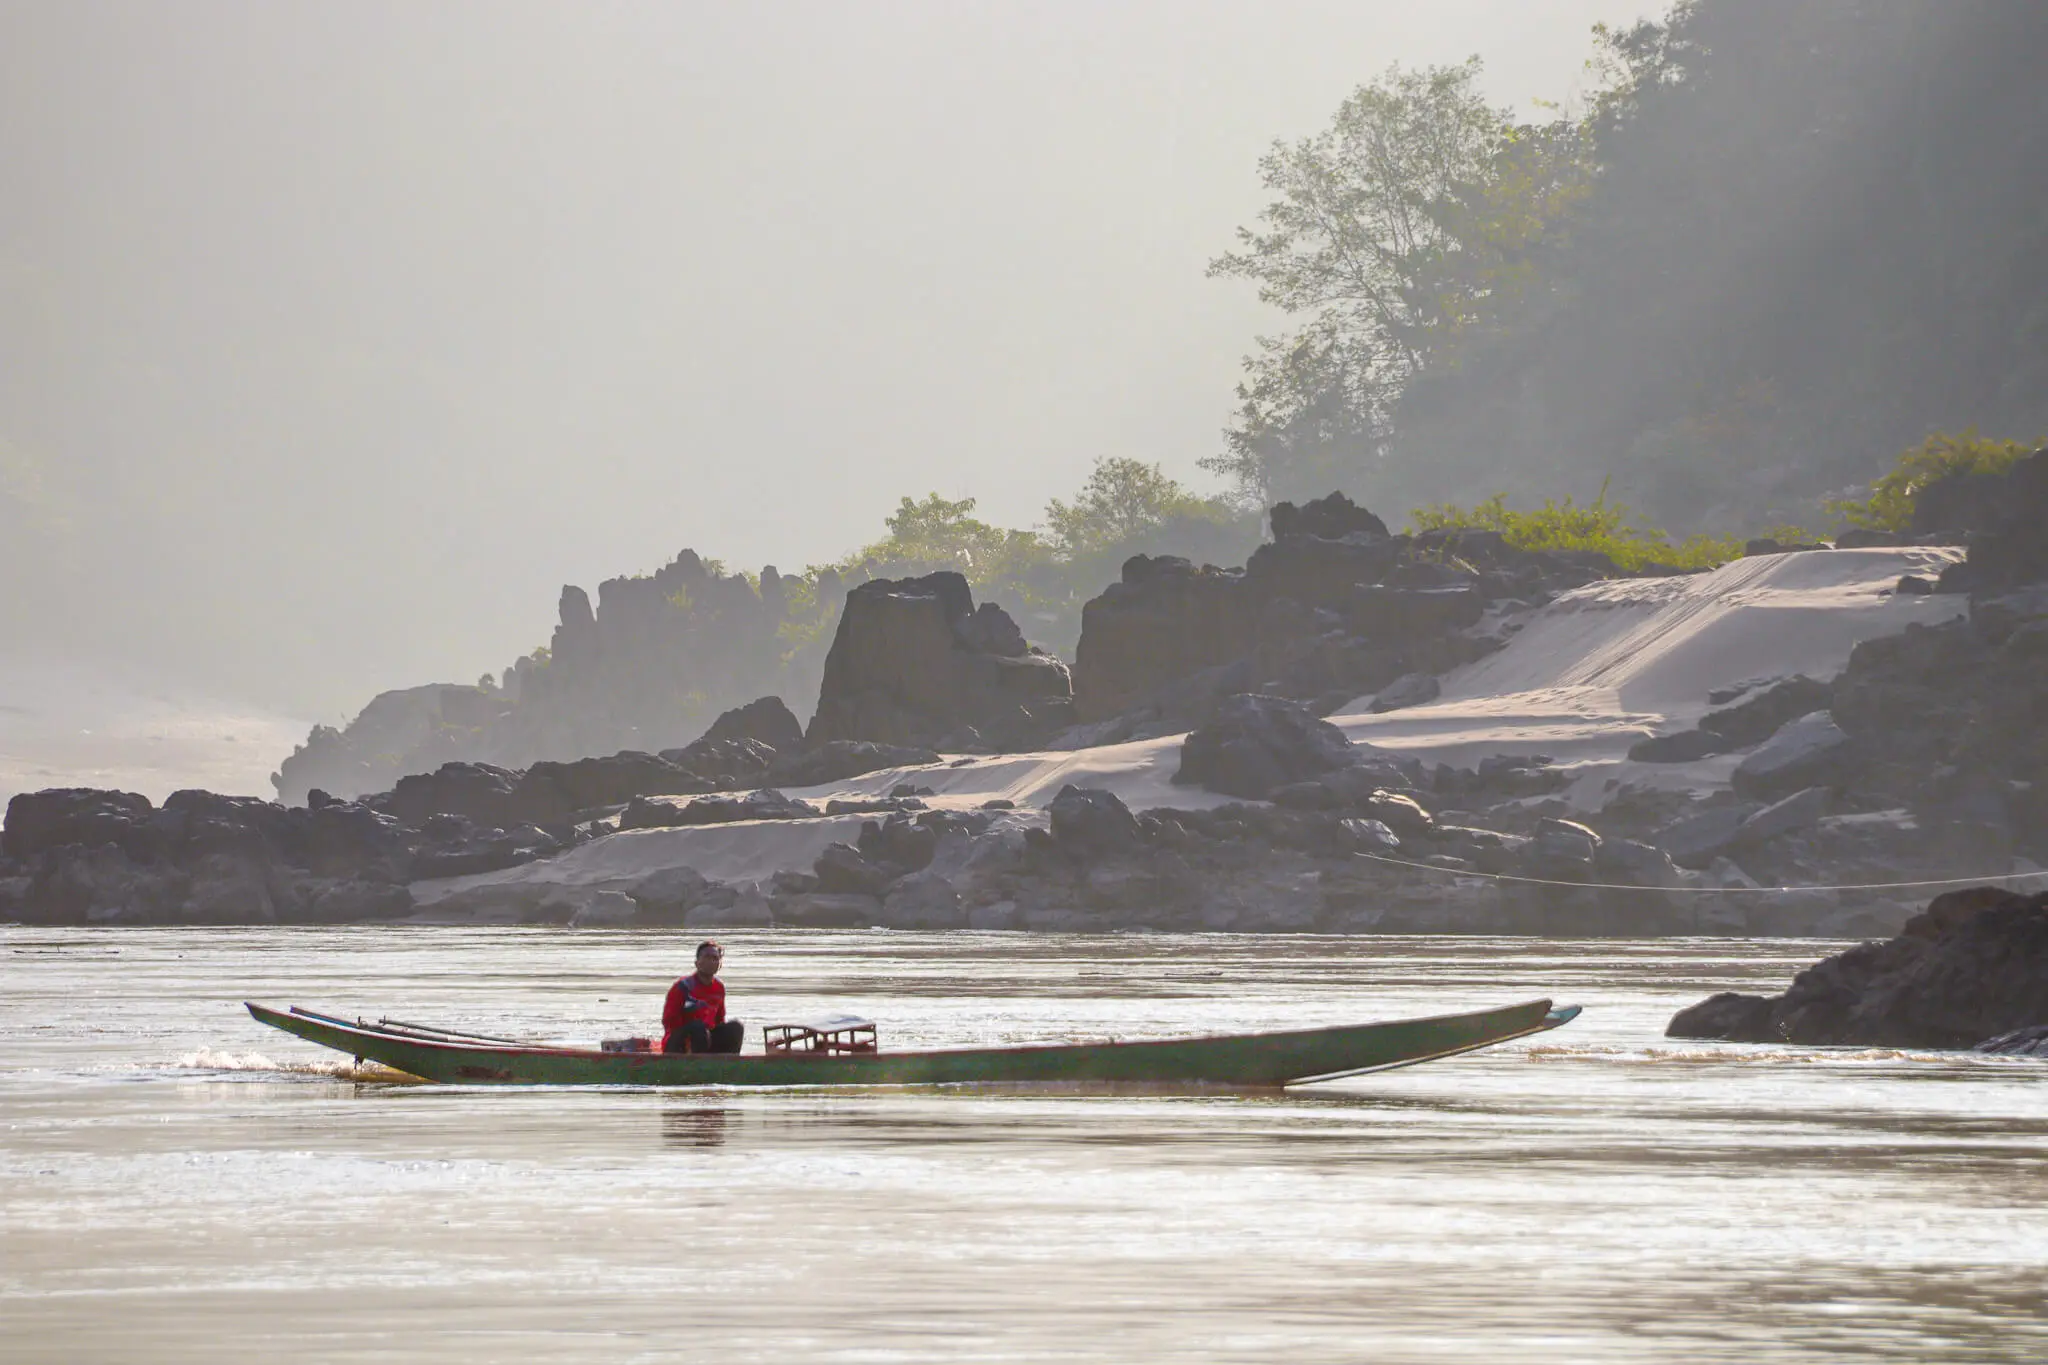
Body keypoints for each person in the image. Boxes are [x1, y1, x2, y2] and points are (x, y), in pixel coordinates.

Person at [663, 940, 743, 1054]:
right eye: (706, 957)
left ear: (720, 965)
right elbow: (669, 1023)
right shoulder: (683, 987)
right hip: (678, 1043)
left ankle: (729, 1064)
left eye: (715, 958)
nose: (710, 961)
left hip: (705, 1040)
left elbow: (719, 1021)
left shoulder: (719, 988)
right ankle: (696, 1064)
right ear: (697, 963)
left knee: (736, 1027)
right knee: (698, 1027)